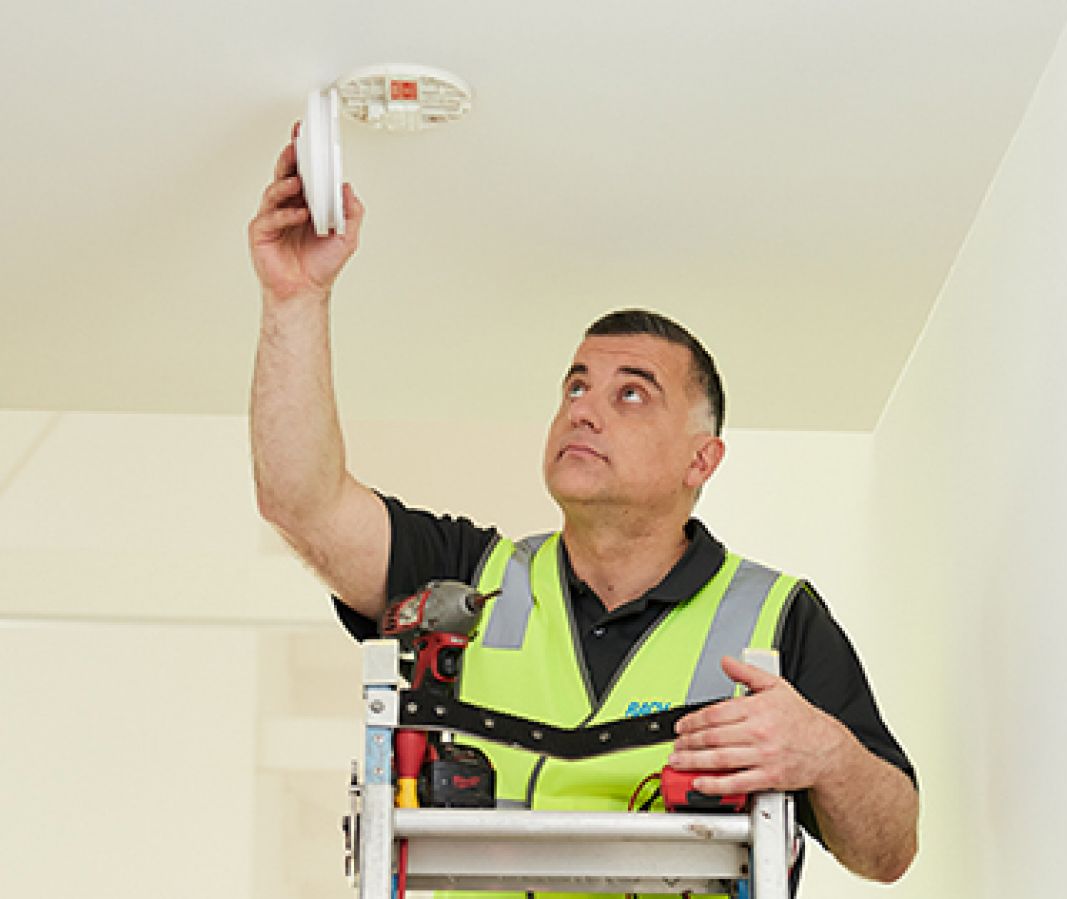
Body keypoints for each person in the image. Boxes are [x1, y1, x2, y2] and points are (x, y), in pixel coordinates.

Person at [248, 129, 919, 889]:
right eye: (575, 386)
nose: (584, 410)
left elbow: (888, 848)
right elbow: (301, 503)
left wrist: (822, 752)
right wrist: (295, 297)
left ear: (701, 460)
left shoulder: (775, 618)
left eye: (629, 393)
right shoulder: (464, 581)